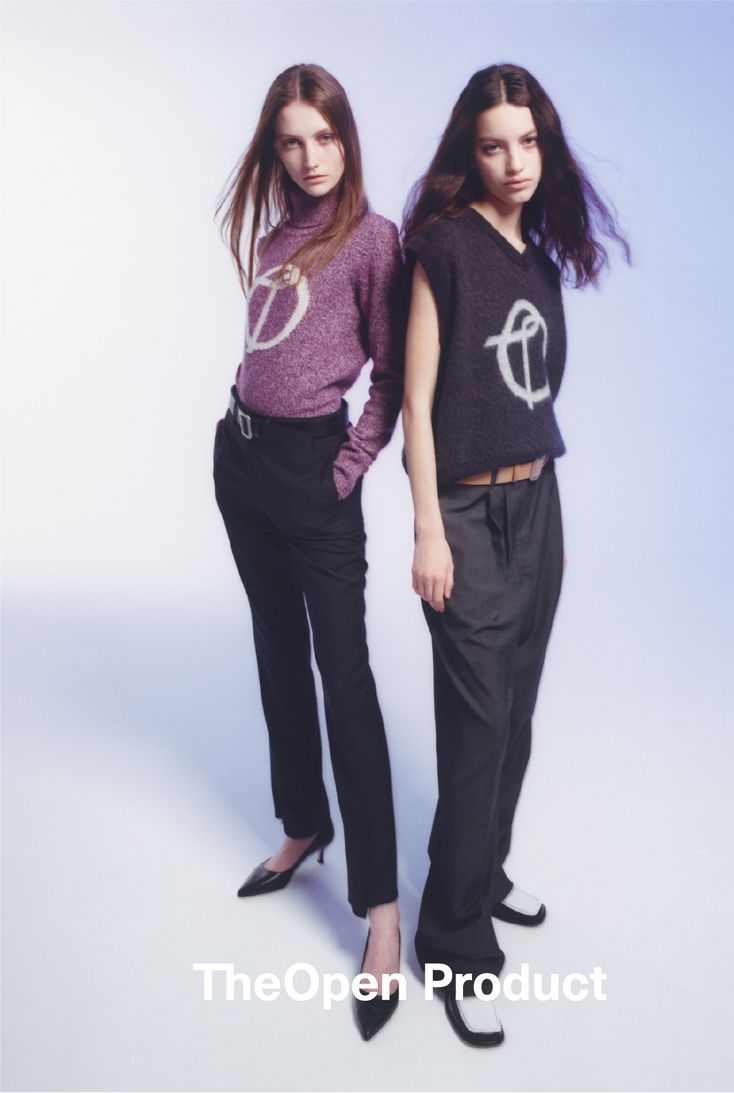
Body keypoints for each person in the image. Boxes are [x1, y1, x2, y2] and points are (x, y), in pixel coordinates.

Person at [401, 62, 629, 1047]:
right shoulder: (443, 247)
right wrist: (427, 526)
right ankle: (453, 944)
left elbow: (532, 393)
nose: (513, 161)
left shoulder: (536, 259)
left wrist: (548, 525)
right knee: (478, 726)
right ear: (471, 150)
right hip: (462, 512)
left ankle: (481, 871)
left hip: (538, 506)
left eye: (527, 142)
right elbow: (417, 404)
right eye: (493, 145)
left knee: (516, 718)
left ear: (546, 147)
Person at [213, 63, 404, 1041]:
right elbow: (269, 351)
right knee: (275, 652)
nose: (309, 156)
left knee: (346, 679)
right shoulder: (274, 234)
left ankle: (382, 911)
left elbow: (392, 375)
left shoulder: (372, 240)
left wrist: (350, 464)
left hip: (313, 473)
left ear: (346, 138)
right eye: (290, 140)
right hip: (243, 461)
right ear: (274, 148)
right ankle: (301, 822)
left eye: (323, 136)